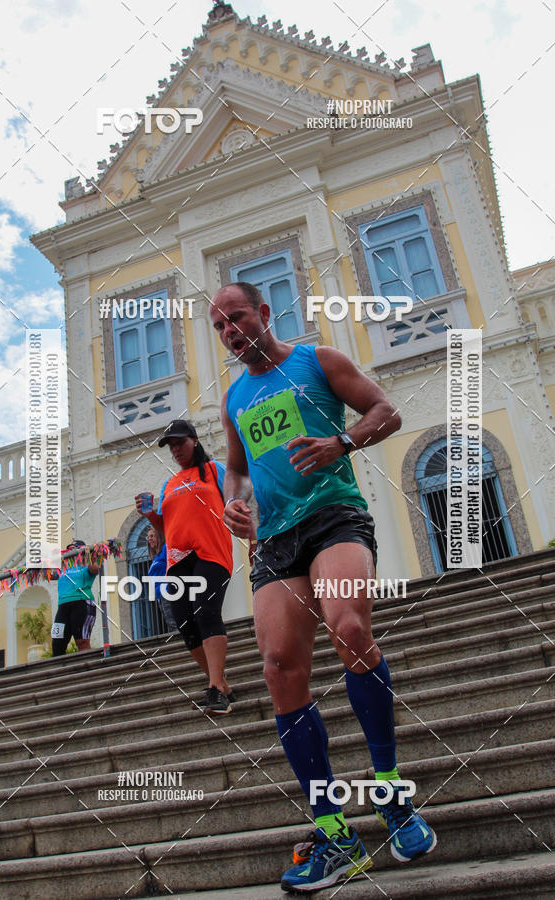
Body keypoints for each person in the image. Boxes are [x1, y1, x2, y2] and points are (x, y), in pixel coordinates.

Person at [210, 282, 437, 892]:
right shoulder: (235, 398)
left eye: (236, 318)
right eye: (219, 327)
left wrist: (342, 440)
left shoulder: (318, 361)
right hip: (275, 539)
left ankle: (391, 794)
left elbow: (385, 411)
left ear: (263, 313)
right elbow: (234, 467)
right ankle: (335, 832)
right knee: (279, 666)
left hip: (334, 514)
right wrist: (235, 503)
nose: (230, 331)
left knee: (350, 626)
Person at [135, 419, 236, 714]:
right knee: (184, 622)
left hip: (211, 553)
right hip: (177, 559)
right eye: (171, 446)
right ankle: (220, 685)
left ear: (194, 440)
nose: (176, 449)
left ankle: (215, 688)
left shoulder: (214, 470)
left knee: (206, 612)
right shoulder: (170, 483)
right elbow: (166, 531)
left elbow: (236, 499)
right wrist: (152, 514)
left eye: (180, 442)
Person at [51, 540, 99, 656]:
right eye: (69, 548)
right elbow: (49, 575)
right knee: (57, 644)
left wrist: (87, 554)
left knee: (82, 642)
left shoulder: (87, 564)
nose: (71, 550)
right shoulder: (63, 567)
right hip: (63, 606)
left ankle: (87, 671)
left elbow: (95, 569)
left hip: (82, 603)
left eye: (74, 548)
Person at [146, 527, 176, 633]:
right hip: (160, 595)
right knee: (169, 623)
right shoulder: (156, 557)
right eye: (148, 537)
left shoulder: (165, 549)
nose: (149, 539)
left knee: (174, 624)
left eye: (152, 536)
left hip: (167, 592)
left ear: (159, 537)